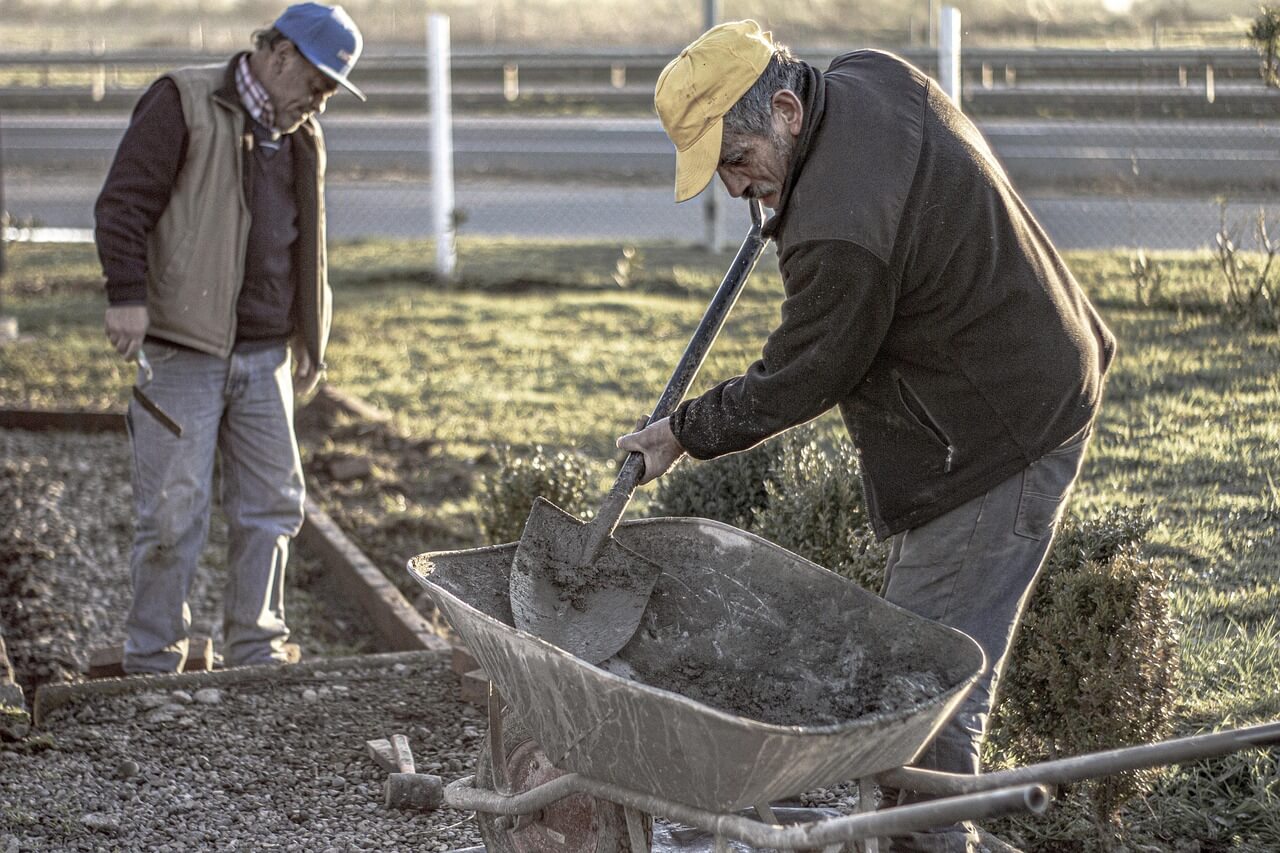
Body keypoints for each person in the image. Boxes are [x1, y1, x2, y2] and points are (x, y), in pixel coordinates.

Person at [617, 21, 1116, 853]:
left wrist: (684, 433)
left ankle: (931, 837)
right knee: (916, 668)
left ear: (783, 107)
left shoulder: (838, 228)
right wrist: (786, 199)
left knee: (916, 709)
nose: (738, 189)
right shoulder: (862, 78)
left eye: (736, 162)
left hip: (996, 434)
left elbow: (806, 371)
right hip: (1018, 374)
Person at [94, 2, 364, 673]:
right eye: (320, 82)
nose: (321, 100)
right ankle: (153, 658)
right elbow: (121, 206)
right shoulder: (181, 101)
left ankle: (257, 652)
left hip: (266, 353)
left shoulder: (300, 132)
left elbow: (306, 244)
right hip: (184, 348)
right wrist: (126, 297)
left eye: (331, 89)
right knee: (172, 514)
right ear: (279, 55)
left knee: (272, 506)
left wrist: (310, 335)